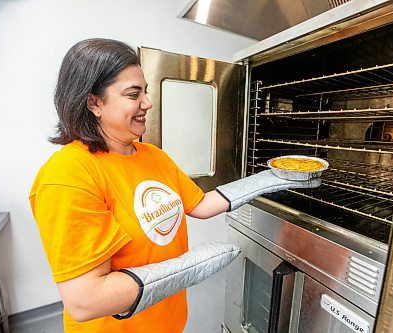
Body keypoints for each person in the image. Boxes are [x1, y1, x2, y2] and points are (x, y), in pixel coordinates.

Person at [29, 38, 318, 333]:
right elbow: (86, 301)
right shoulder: (69, 175)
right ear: (94, 102)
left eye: (145, 92)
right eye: (133, 94)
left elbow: (200, 205)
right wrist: (190, 267)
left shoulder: (152, 156)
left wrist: (269, 179)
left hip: (167, 322)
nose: (147, 103)